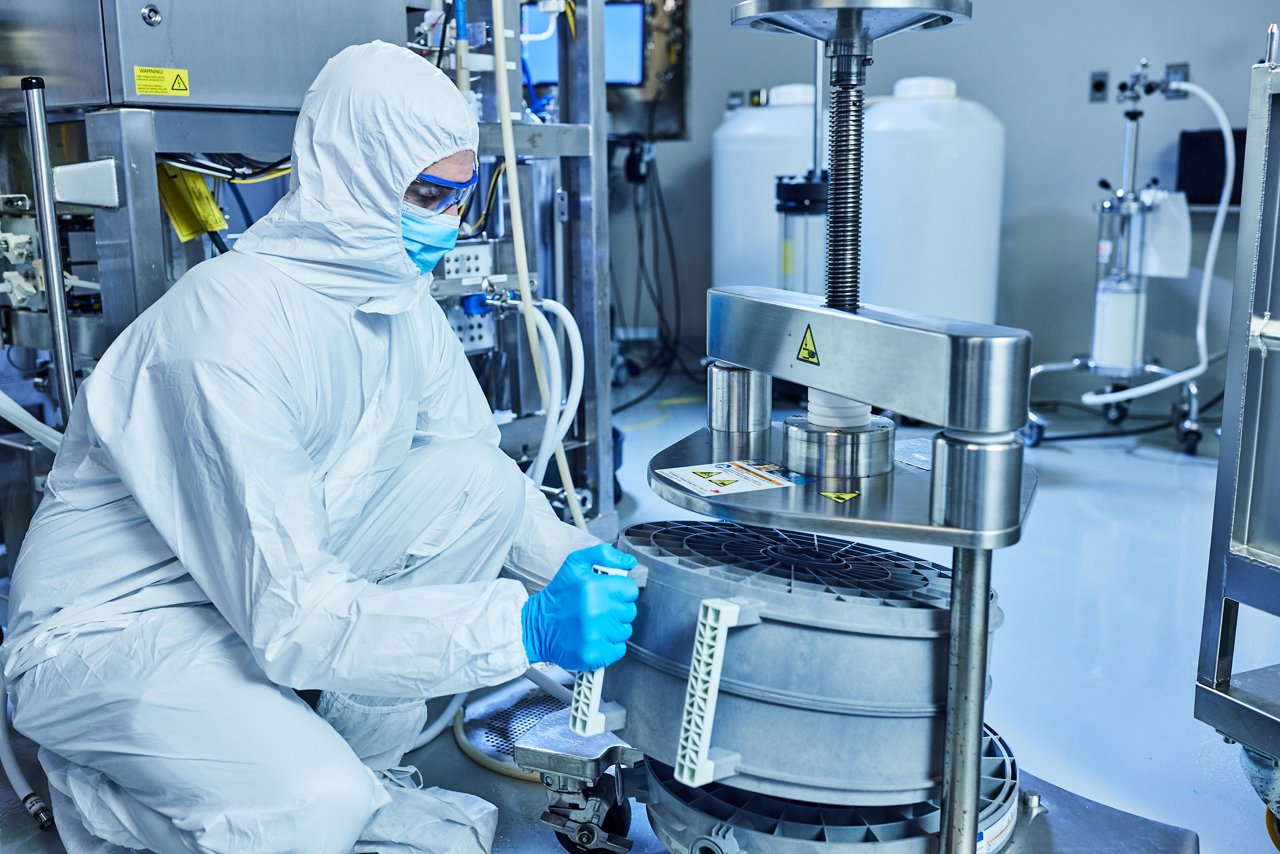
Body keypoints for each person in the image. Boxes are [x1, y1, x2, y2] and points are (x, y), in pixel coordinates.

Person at [0, 41, 638, 854]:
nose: (444, 222)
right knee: (315, 809)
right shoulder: (224, 332)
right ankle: (102, 798)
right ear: (353, 174)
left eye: (459, 200)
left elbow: (486, 487)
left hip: (250, 595)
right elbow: (293, 618)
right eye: (427, 195)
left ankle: (360, 763)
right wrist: (526, 628)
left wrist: (607, 587)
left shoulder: (398, 301)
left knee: (475, 479)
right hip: (118, 633)